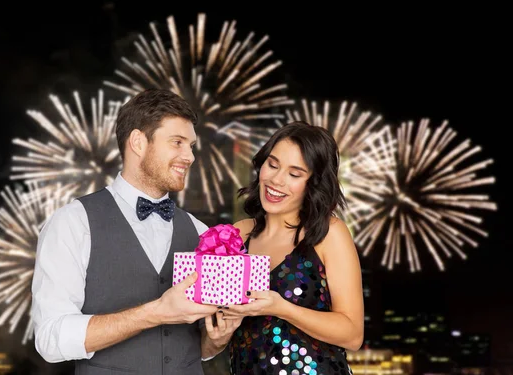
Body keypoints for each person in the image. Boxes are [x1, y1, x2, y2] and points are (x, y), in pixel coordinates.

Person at [30, 88, 220, 375]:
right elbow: (50, 339)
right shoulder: (73, 223)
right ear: (138, 142)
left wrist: (219, 338)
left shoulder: (200, 231)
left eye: (191, 145)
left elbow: (199, 349)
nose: (189, 156)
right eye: (177, 142)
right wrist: (154, 312)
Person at [201, 121, 364, 374]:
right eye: (273, 164)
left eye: (295, 174)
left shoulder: (329, 233)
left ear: (314, 182)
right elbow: (209, 343)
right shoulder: (238, 233)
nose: (276, 180)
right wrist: (218, 336)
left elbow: (353, 334)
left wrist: (280, 308)